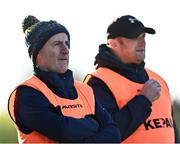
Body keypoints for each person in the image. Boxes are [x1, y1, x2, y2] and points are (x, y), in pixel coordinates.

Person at [8, 15, 121, 143]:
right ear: (38, 53)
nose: (65, 50)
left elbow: (114, 134)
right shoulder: (28, 93)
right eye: (57, 44)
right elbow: (64, 130)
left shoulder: (85, 90)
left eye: (67, 43)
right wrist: (94, 123)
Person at [84, 15, 179, 143]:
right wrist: (144, 100)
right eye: (134, 37)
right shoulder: (98, 82)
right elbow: (105, 135)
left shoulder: (159, 79)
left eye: (143, 36)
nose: (142, 42)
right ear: (114, 44)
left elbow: (172, 132)